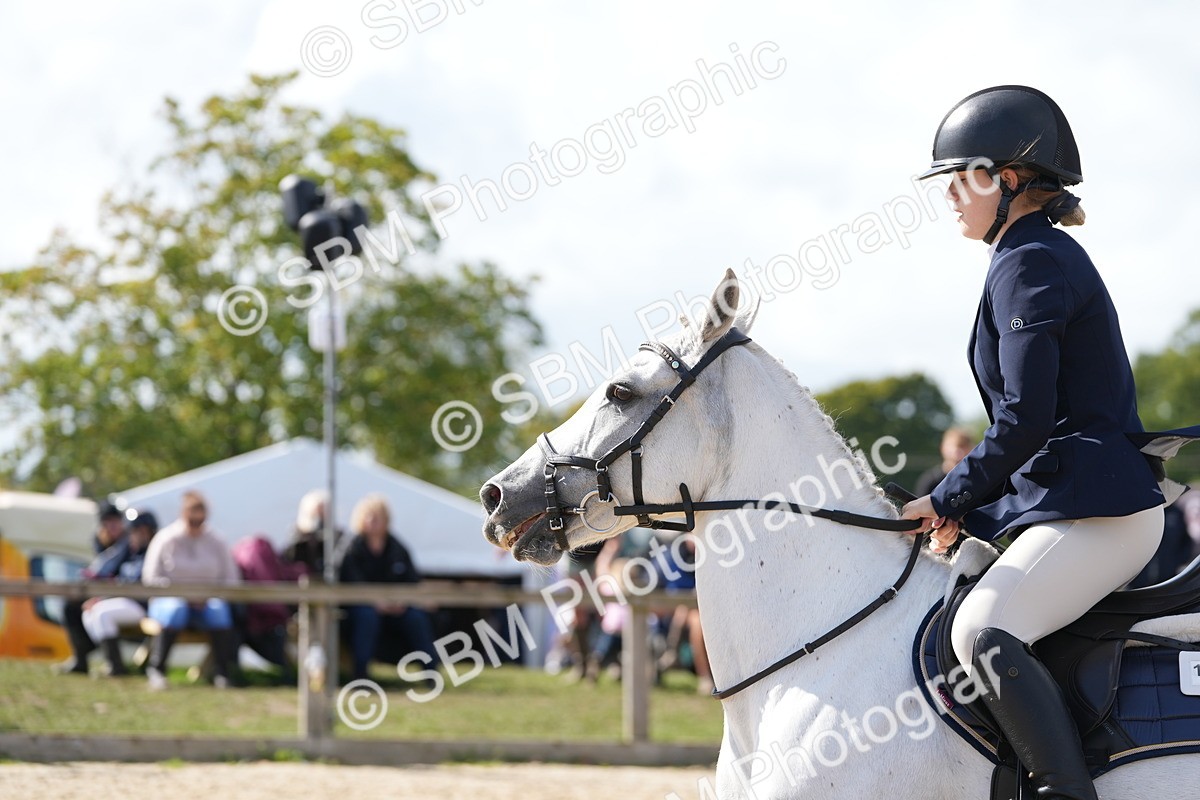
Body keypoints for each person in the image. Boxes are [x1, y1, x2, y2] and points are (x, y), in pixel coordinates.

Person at [900, 85, 1178, 800]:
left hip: (1100, 514)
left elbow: (1024, 418)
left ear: (1009, 180)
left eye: (962, 178)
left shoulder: (1029, 261)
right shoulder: (1024, 255)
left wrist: (945, 496)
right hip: (1071, 499)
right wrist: (974, 509)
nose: (950, 195)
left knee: (980, 634)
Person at [141, 490, 240, 690]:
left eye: (200, 519)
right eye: (192, 518)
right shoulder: (166, 538)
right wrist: (182, 596)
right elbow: (150, 577)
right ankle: (157, 669)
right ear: (183, 514)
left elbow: (231, 579)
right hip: (169, 601)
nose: (196, 523)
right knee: (175, 610)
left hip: (206, 602)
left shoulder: (217, 541)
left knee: (219, 611)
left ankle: (221, 672)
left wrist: (210, 595)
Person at [337, 493, 438, 682]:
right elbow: (349, 583)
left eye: (377, 517)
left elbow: (411, 582)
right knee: (366, 616)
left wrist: (401, 602)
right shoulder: (351, 548)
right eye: (369, 516)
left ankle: (431, 673)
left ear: (386, 520)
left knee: (416, 618)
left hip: (396, 607)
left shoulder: (397, 548)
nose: (372, 521)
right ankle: (360, 675)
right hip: (359, 608)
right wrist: (376, 602)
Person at [80, 509, 159, 676]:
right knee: (89, 612)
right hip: (123, 601)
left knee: (102, 614)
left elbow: (136, 586)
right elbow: (107, 573)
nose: (139, 535)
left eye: (143, 531)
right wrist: (99, 598)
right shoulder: (128, 554)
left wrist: (103, 600)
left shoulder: (154, 553)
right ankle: (112, 663)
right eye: (136, 531)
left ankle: (116, 668)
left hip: (142, 605)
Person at [54, 500, 127, 675]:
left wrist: (100, 599)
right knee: (69, 606)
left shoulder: (128, 544)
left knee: (95, 611)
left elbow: (124, 578)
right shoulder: (101, 544)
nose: (112, 526)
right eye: (108, 522)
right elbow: (97, 574)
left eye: (115, 521)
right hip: (103, 595)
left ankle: (112, 665)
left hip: (125, 597)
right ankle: (81, 659)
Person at [282, 489, 342, 578]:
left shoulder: (337, 536)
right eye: (317, 511)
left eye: (323, 510)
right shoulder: (297, 537)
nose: (320, 515)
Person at [914, 427, 974, 497]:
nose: (961, 453)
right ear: (943, 448)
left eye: (965, 447)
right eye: (958, 446)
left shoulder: (975, 480)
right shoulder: (930, 481)